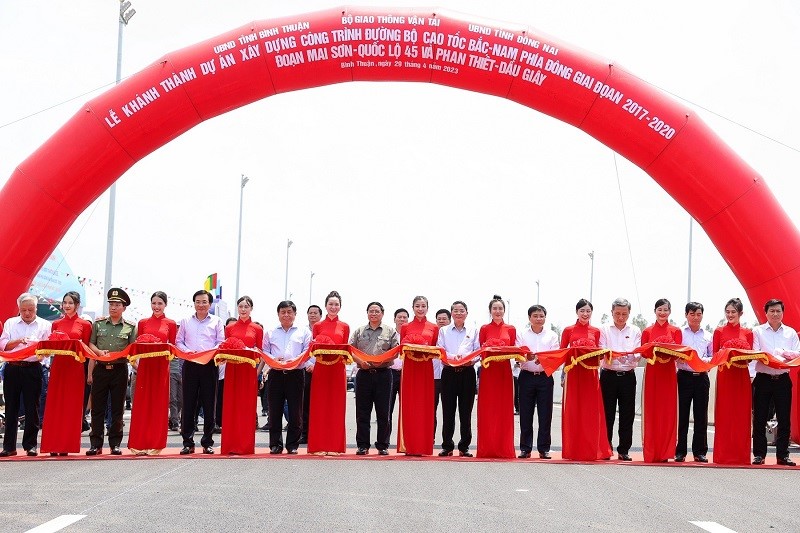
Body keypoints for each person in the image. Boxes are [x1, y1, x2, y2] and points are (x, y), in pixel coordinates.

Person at [39, 291, 92, 456]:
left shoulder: (85, 324)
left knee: (71, 406)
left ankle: (67, 445)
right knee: (55, 405)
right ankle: (52, 444)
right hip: (58, 367)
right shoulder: (56, 324)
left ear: (77, 305)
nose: (67, 306)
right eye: (65, 302)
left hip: (75, 369)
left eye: (70, 303)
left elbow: (87, 349)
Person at [0, 293, 52, 457]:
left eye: (30, 309)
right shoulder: (11, 323)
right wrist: (18, 341)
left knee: (32, 408)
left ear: (36, 308)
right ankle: (9, 446)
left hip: (33, 368)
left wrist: (38, 350)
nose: (27, 313)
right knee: (11, 408)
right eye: (23, 310)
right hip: (13, 367)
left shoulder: (44, 325)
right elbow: (3, 346)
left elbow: (48, 350)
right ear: (19, 309)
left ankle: (30, 445)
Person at [86, 288, 136, 456]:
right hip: (101, 369)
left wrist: (138, 367)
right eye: (111, 305)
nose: (113, 308)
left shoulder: (130, 327)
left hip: (119, 370)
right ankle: (95, 443)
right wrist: (99, 353)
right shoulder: (98, 324)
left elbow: (132, 350)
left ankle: (115, 443)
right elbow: (91, 344)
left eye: (117, 305)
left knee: (117, 409)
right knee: (97, 408)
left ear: (124, 308)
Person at [560, 299, 611, 461]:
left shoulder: (596, 331)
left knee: (591, 411)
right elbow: (562, 352)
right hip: (573, 374)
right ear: (577, 312)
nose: (585, 314)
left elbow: (601, 351)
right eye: (582, 311)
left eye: (588, 311)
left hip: (591, 375)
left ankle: (593, 448)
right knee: (573, 411)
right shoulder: (568, 330)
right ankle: (573, 449)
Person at [127, 291, 176, 455]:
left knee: (159, 404)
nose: (156, 306)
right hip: (145, 367)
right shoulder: (142, 323)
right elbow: (138, 344)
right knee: (142, 403)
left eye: (160, 303)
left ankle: (156, 443)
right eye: (154, 303)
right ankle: (138, 443)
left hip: (161, 366)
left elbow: (174, 348)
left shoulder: (170, 323)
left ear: (165, 305)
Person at [751, 299, 798, 466]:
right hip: (763, 378)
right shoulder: (757, 331)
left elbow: (797, 354)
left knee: (784, 419)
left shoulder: (790, 333)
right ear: (766, 313)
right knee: (760, 418)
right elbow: (755, 353)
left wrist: (782, 354)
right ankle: (759, 454)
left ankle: (783, 455)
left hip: (783, 380)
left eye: (778, 311)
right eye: (772, 311)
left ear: (782, 312)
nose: (775, 314)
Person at [177, 289, 224, 455]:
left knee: (210, 404)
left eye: (204, 302)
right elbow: (178, 342)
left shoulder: (217, 321)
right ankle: (187, 442)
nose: (201, 305)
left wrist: (207, 354)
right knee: (188, 404)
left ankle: (207, 442)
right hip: (190, 365)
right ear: (194, 303)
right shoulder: (185, 321)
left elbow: (220, 343)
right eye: (198, 302)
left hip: (209, 365)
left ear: (210, 304)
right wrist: (188, 352)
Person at [350, 301, 398, 455]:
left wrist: (382, 362)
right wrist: (360, 362)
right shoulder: (359, 331)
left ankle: (383, 445)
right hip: (364, 374)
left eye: (377, 311)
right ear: (367, 313)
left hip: (384, 374)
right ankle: (362, 445)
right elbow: (350, 350)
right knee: (363, 412)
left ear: (382, 313)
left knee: (384, 412)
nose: (374, 314)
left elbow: (395, 351)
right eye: (371, 311)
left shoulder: (390, 331)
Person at [599, 297, 642, 461]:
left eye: (624, 313)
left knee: (627, 413)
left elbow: (638, 352)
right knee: (607, 413)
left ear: (629, 313)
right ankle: (606, 447)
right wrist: (616, 356)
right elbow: (602, 349)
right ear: (612, 312)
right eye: (617, 313)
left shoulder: (635, 330)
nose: (620, 317)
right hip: (608, 375)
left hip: (627, 377)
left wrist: (630, 358)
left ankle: (624, 449)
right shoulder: (604, 329)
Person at [640, 298, 682, 463]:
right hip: (653, 372)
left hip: (669, 373)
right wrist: (655, 349)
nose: (662, 313)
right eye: (660, 309)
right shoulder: (648, 331)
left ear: (670, 312)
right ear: (655, 311)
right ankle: (651, 452)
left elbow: (679, 351)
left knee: (667, 412)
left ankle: (665, 452)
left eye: (665, 310)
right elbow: (643, 352)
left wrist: (668, 351)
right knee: (652, 411)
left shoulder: (675, 331)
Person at [712, 297, 754, 465]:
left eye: (733, 312)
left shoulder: (748, 333)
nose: (730, 315)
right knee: (725, 414)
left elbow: (751, 357)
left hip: (742, 376)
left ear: (741, 313)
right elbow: (715, 355)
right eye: (728, 312)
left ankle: (741, 456)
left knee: (741, 415)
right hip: (725, 375)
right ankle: (723, 455)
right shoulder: (719, 331)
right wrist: (726, 353)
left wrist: (740, 355)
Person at [266, 300, 311, 454]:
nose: (286, 315)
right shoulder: (271, 332)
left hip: (296, 374)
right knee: (274, 411)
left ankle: (292, 445)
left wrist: (296, 360)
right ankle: (275, 444)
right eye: (283, 312)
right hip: (276, 374)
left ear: (295, 314)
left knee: (296, 412)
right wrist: (273, 359)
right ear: (278, 314)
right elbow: (264, 350)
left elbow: (308, 351)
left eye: (289, 312)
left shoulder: (304, 332)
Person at [221, 296, 264, 455]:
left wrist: (248, 352)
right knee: (231, 405)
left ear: (251, 308)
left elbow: (260, 351)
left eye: (246, 306)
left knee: (246, 406)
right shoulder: (230, 328)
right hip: (232, 370)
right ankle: (229, 445)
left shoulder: (257, 329)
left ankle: (245, 445)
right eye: (241, 306)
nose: (243, 309)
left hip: (248, 371)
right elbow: (225, 347)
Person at [308, 290, 350, 454]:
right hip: (321, 368)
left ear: (340, 307)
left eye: (336, 304)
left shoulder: (344, 326)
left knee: (336, 406)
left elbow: (345, 348)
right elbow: (314, 348)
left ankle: (334, 446)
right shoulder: (318, 326)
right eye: (330, 304)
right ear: (326, 306)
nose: (333, 307)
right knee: (319, 406)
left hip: (338, 368)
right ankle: (318, 445)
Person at [516, 304, 559, 459]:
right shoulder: (521, 334)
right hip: (526, 375)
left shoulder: (552, 335)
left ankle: (544, 448)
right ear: (529, 318)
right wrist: (526, 357)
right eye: (535, 316)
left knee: (545, 414)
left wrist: (541, 359)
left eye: (541, 316)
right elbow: (517, 354)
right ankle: (525, 448)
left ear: (545, 318)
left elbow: (555, 356)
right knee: (525, 413)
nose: (538, 319)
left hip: (545, 376)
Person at [475, 295, 516, 459]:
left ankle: (504, 448)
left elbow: (513, 349)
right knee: (488, 409)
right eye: (495, 308)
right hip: (489, 372)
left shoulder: (511, 329)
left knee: (504, 410)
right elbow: (481, 350)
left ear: (504, 311)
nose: (497, 311)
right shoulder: (484, 328)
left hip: (504, 372)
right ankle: (487, 448)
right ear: (490, 311)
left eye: (500, 308)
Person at [398, 296, 440, 455]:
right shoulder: (406, 327)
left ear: (427, 308)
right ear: (412, 307)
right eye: (417, 306)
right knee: (410, 405)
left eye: (423, 306)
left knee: (425, 406)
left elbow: (436, 349)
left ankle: (424, 445)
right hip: (410, 369)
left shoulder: (433, 327)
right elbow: (402, 348)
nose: (420, 309)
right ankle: (409, 444)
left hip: (425, 369)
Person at [437, 301, 479, 457]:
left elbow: (478, 351)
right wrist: (455, 358)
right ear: (451, 313)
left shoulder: (474, 330)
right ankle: (447, 446)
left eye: (462, 310)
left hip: (467, 372)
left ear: (467, 313)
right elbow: (440, 350)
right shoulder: (444, 331)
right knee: (448, 410)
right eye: (456, 310)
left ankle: (464, 446)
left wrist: (468, 360)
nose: (459, 313)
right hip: (449, 372)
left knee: (465, 412)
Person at [675, 302, 713, 463]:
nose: (695, 317)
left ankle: (700, 451)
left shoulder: (708, 335)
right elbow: (674, 353)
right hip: (684, 376)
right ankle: (680, 451)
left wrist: (701, 361)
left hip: (702, 377)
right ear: (686, 315)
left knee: (701, 416)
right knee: (682, 415)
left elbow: (712, 355)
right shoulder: (680, 333)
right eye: (692, 314)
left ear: (702, 315)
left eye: (698, 314)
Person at [301, 304, 323, 443]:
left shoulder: (323, 329)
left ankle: (319, 432)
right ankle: (304, 433)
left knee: (319, 403)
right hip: (306, 369)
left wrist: (316, 365)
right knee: (304, 403)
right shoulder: (302, 331)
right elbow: (301, 351)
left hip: (321, 369)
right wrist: (308, 364)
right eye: (310, 313)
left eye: (315, 313)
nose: (313, 315)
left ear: (320, 315)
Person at [432, 308, 451, 439]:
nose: (442, 321)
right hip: (432, 377)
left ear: (449, 321)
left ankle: (446, 440)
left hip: (447, 375)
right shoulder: (431, 334)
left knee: (447, 410)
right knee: (431, 410)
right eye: (439, 319)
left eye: (444, 319)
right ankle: (430, 437)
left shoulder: (450, 335)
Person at [389, 308, 409, 419]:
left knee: (407, 408)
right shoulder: (388, 334)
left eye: (404, 317)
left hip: (407, 373)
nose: (402, 319)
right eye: (399, 317)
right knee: (388, 408)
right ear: (394, 319)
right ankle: (386, 436)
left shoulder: (411, 335)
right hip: (391, 373)